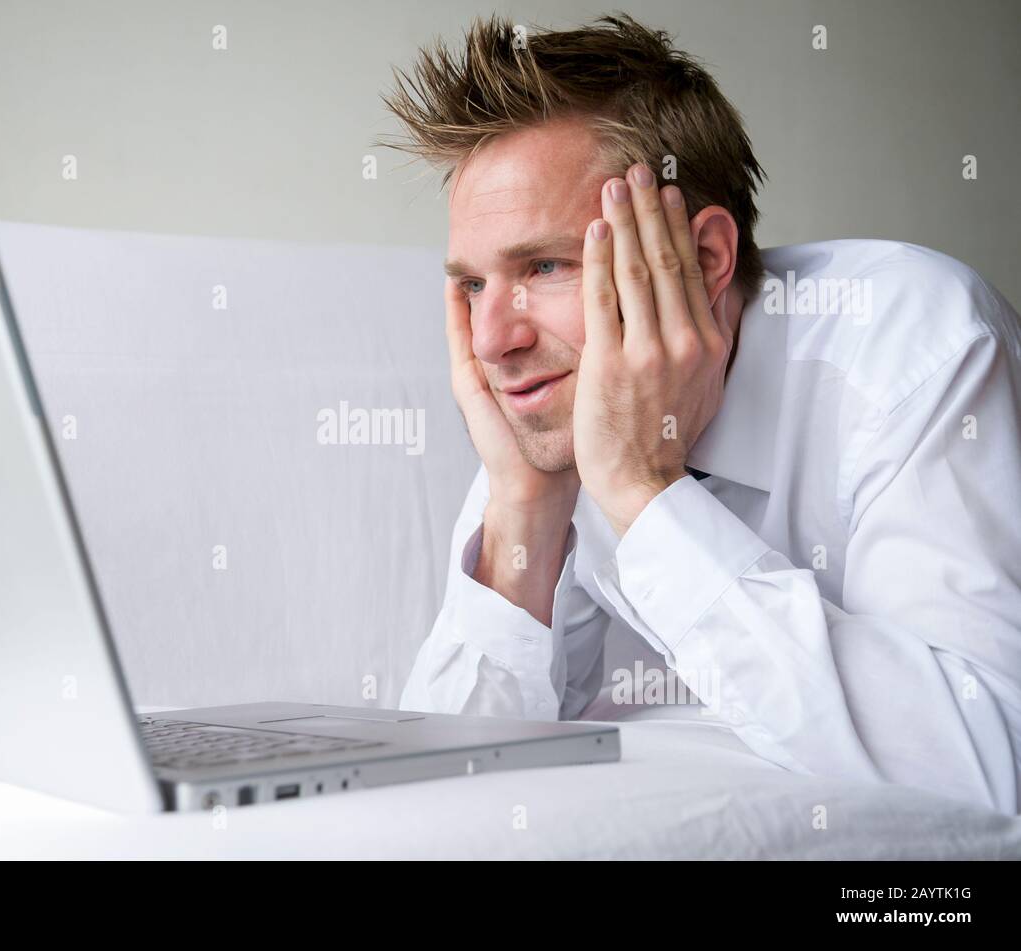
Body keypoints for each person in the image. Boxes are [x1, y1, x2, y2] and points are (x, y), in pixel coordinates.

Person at [381, 14, 1021, 813]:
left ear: (706, 258)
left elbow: (991, 771)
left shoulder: (915, 343)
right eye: (473, 284)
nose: (492, 340)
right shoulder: (552, 406)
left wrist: (643, 490)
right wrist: (523, 506)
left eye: (542, 266)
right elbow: (428, 794)